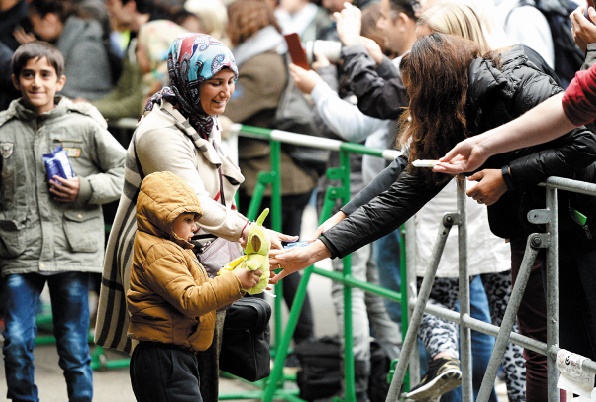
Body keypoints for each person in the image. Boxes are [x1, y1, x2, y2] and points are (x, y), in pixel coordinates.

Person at [271, 33, 596, 402]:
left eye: (413, 93)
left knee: (566, 350)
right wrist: (323, 243)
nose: (410, 104)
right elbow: (402, 189)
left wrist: (506, 177)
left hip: (580, 222)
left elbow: (584, 142)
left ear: (433, 86)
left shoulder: (514, 78)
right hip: (535, 226)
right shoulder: (455, 113)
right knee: (548, 350)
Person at [94, 33, 297, 401]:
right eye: (215, 82)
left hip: (198, 258)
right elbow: (196, 205)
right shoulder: (160, 132)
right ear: (189, 81)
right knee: (175, 357)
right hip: (168, 264)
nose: (226, 92)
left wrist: (241, 264)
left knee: (199, 362)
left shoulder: (198, 117)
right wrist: (249, 233)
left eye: (231, 81)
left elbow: (216, 199)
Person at [0, 41, 126, 402]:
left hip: (72, 252)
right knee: (17, 342)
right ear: (15, 80)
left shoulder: (84, 126)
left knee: (73, 347)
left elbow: (124, 172)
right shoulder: (4, 130)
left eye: (45, 75)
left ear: (60, 81)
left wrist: (85, 188)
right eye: (28, 75)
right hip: (18, 251)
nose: (36, 83)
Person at [222, 0, 317, 359]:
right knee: (280, 259)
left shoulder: (259, 64)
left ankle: (298, 343)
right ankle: (294, 342)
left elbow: (229, 109)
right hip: (279, 175)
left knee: (278, 260)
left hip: (276, 178)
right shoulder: (270, 53)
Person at [128, 171, 261, 402]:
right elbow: (191, 300)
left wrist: (241, 284)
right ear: (164, 218)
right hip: (164, 358)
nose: (194, 228)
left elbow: (204, 295)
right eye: (187, 220)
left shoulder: (173, 247)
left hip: (176, 353)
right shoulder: (159, 252)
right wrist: (235, 281)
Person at [434, 4, 596, 174]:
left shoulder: (522, 25)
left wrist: (508, 176)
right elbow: (574, 102)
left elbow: (584, 137)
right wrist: (482, 145)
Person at [21, 0, 115, 100]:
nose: (36, 30)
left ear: (49, 19)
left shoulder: (85, 45)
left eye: (35, 24)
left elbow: (67, 92)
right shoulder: (72, 37)